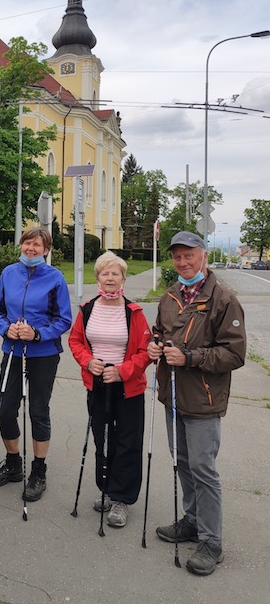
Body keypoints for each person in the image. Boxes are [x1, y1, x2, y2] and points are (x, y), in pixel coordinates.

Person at [148, 231, 246, 576]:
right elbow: (159, 331)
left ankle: (211, 541)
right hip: (173, 395)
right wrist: (154, 346)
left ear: (203, 255)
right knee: (183, 462)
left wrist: (189, 358)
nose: (183, 262)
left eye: (189, 255)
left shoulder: (223, 299)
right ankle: (191, 519)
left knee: (204, 470)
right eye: (177, 257)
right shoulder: (171, 295)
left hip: (203, 398)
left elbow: (234, 353)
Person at [0, 228, 72, 501]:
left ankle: (39, 470)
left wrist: (37, 333)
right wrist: (5, 328)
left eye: (37, 244)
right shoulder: (9, 273)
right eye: (27, 243)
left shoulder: (55, 278)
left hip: (43, 354)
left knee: (38, 411)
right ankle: (13, 465)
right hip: (12, 350)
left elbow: (64, 319)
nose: (31, 248)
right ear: (21, 245)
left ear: (46, 250)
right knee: (5, 410)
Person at [68, 251, 152, 528]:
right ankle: (106, 488)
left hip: (128, 387)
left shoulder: (134, 312)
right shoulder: (87, 309)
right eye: (105, 273)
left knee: (127, 441)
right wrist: (88, 361)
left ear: (124, 278)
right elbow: (75, 341)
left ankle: (122, 499)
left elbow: (145, 352)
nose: (110, 278)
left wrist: (122, 371)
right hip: (98, 383)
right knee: (103, 439)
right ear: (98, 279)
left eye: (115, 273)